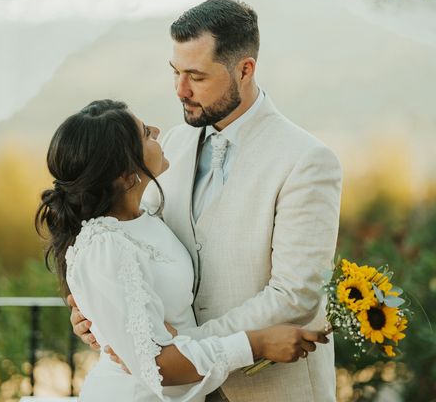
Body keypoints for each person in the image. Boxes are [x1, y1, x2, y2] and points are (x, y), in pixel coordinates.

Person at [70, 0, 343, 401]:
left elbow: (295, 295)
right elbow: (132, 244)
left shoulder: (306, 160)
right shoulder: (170, 148)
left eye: (196, 76)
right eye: (175, 72)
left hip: (267, 387)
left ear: (244, 70)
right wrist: (105, 314)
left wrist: (179, 349)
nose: (180, 90)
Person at [36, 99, 331, 401]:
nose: (158, 131)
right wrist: (255, 344)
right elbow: (157, 364)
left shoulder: (145, 218)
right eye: (145, 134)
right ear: (126, 175)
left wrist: (109, 320)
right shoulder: (103, 246)